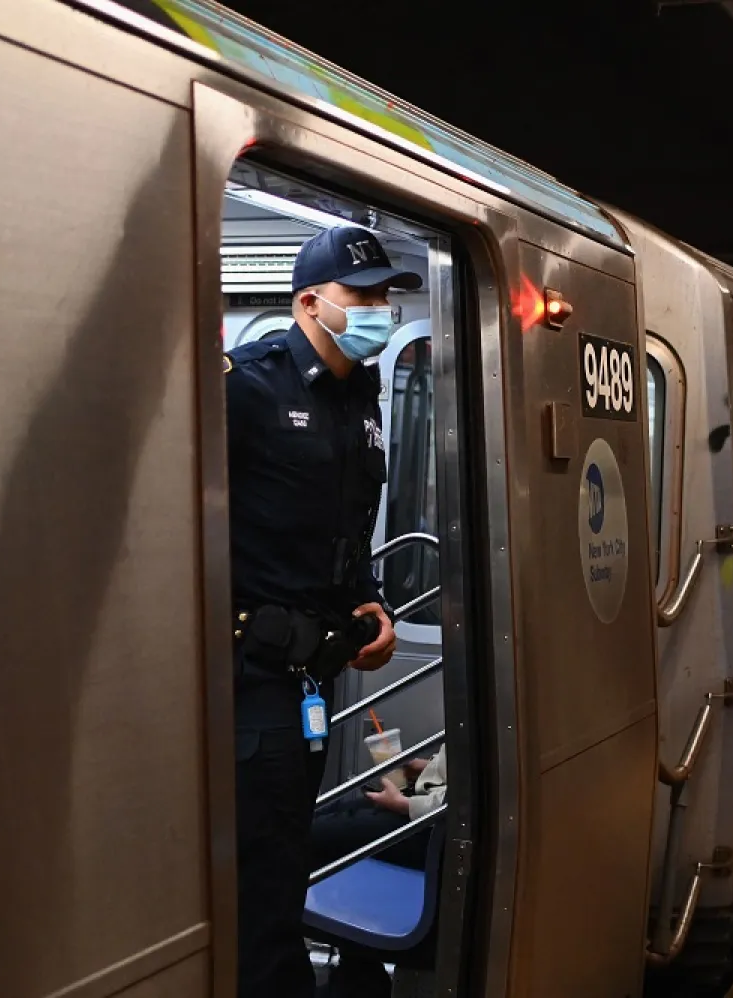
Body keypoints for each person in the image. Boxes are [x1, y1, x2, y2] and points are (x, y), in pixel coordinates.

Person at [226, 225, 421, 998]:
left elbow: (341, 527)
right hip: (252, 675)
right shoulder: (249, 386)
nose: (377, 310)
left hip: (314, 673)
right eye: (361, 297)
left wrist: (364, 598)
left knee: (282, 860)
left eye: (383, 296)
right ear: (309, 302)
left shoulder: (360, 395)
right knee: (262, 880)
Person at [308, 747, 448, 997]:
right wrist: (427, 767)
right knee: (324, 816)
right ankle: (358, 977)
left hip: (430, 824)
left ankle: (357, 981)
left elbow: (462, 798)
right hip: (425, 806)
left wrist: (404, 805)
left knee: (316, 837)